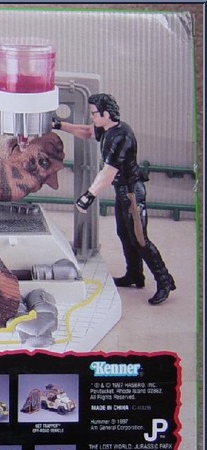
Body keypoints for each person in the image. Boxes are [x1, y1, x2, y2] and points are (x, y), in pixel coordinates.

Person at [52, 93, 175, 305]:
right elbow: (87, 131)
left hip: (132, 193)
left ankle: (165, 281)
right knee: (124, 235)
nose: (92, 117)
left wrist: (89, 195)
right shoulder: (106, 129)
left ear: (106, 114)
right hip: (122, 191)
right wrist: (60, 125)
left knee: (140, 239)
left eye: (94, 113)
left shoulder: (121, 136)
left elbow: (109, 171)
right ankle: (134, 275)